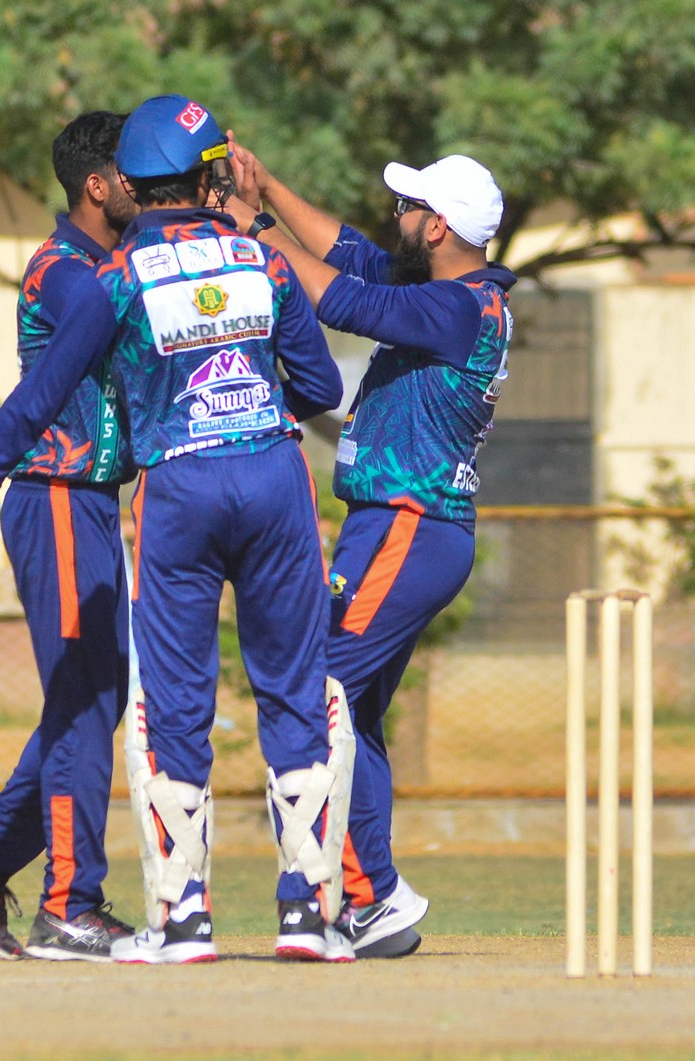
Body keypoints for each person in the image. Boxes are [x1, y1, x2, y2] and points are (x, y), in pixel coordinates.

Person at [0, 95, 351, 964]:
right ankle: (302, 913)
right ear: (206, 177)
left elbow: (39, 392)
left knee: (159, 702)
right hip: (233, 478)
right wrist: (249, 397)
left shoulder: (120, 275)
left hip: (171, 489)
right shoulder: (259, 259)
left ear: (133, 185)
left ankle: (181, 921)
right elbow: (325, 388)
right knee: (280, 689)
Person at [222, 142, 516, 958]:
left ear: (440, 226)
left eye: (411, 207)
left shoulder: (459, 308)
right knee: (351, 710)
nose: (399, 216)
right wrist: (268, 188)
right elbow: (348, 255)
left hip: (409, 525)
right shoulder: (442, 291)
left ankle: (364, 892)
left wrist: (247, 226)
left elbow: (341, 299)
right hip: (397, 527)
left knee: (318, 693)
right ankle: (371, 895)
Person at [0, 111, 141, 963]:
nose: (151, 186)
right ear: (98, 185)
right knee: (83, 701)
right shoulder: (66, 272)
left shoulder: (113, 262)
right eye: (137, 173)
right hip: (53, 495)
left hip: (90, 502)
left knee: (94, 698)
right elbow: (54, 377)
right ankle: (67, 905)